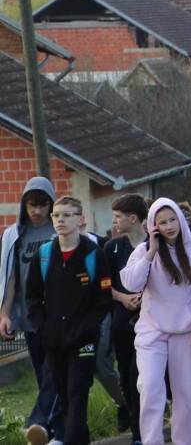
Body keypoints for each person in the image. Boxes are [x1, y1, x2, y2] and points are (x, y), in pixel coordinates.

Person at [121, 198, 191, 445]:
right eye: (162, 222)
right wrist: (151, 251)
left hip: (187, 332)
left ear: (181, 220)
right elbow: (131, 283)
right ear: (153, 226)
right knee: (150, 387)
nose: (169, 226)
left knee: (185, 395)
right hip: (151, 329)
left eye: (173, 219)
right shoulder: (144, 251)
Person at [23, 197, 112, 445]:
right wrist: (43, 328)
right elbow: (32, 296)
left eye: (66, 215)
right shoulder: (43, 255)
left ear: (80, 219)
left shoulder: (93, 254)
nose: (60, 220)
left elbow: (103, 298)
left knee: (77, 391)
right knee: (63, 393)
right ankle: (79, 438)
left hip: (84, 340)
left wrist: (87, 328)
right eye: (56, 215)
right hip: (54, 340)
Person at [0, 177, 64, 443]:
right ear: (24, 205)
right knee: (43, 375)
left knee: (53, 371)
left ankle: (38, 422)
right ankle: (53, 430)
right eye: (32, 205)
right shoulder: (15, 235)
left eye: (42, 205)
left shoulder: (58, 230)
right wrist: (5, 314)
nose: (37, 211)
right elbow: (11, 277)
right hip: (30, 317)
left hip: (58, 315)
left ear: (51, 205)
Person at [105, 194, 149, 445]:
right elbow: (103, 283)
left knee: (140, 378)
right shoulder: (112, 248)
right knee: (126, 377)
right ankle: (137, 430)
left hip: (151, 324)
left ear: (133, 219)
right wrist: (123, 298)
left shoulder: (155, 245)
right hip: (122, 324)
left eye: (117, 217)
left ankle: (143, 431)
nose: (114, 221)